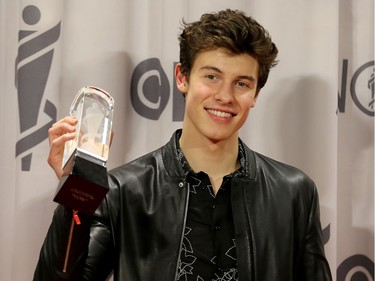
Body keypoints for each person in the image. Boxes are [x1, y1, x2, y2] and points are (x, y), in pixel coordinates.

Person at [33, 9, 332, 281]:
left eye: (241, 83)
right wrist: (77, 193)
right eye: (212, 77)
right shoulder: (124, 191)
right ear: (182, 77)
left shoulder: (294, 192)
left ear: (255, 93)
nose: (225, 97)